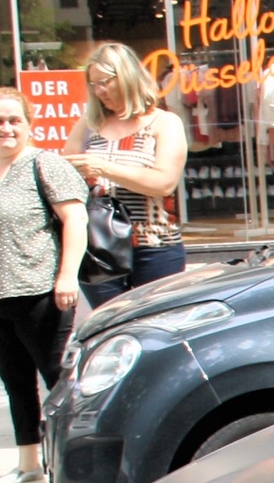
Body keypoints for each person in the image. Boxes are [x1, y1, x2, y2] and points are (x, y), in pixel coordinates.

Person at [0, 88, 89, 483]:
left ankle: (70, 466)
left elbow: (75, 219)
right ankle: (29, 465)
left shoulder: (43, 164)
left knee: (58, 383)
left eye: (15, 120)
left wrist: (66, 276)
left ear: (29, 125)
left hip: (39, 293)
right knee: (16, 384)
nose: (6, 128)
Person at [64, 41, 188, 307]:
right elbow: (64, 182)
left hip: (154, 243)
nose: (99, 91)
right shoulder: (87, 126)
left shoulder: (163, 122)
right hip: (99, 245)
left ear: (127, 76)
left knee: (155, 325)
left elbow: (164, 183)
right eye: (93, 84)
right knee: (108, 324)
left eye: (105, 82)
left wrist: (103, 168)